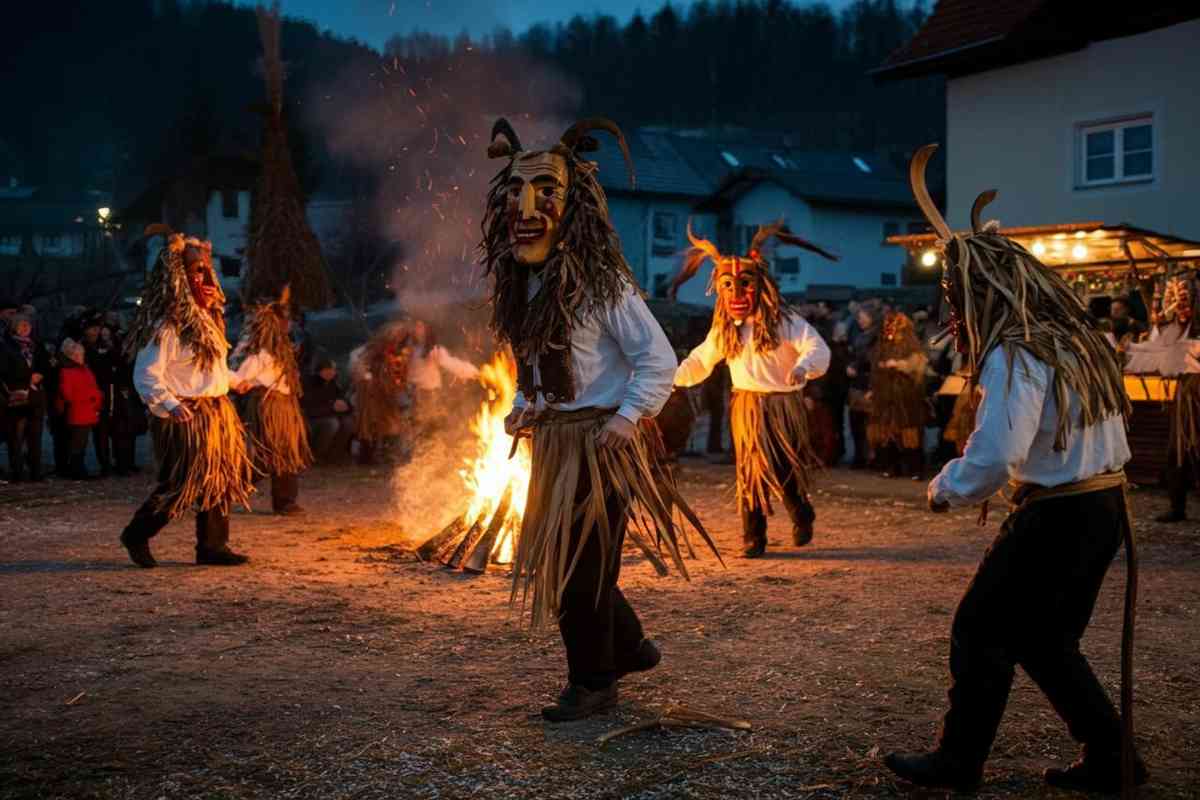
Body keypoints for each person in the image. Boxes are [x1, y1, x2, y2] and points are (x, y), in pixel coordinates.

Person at [884, 146, 1145, 794]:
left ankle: (958, 761)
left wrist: (947, 488)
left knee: (980, 629)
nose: (954, 316)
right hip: (1104, 506)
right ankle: (1113, 759)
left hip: (1057, 515)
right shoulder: (1078, 341)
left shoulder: (1017, 350)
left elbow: (999, 450)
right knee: (1048, 641)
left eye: (956, 301)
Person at [481, 117, 716, 722]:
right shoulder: (526, 285)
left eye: (546, 192)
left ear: (575, 205)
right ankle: (630, 648)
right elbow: (538, 363)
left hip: (600, 445)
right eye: (515, 191)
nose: (526, 208)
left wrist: (628, 417)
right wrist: (524, 406)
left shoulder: (604, 284)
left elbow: (657, 360)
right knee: (579, 563)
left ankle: (593, 684)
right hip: (555, 443)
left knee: (577, 570)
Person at [670, 221, 834, 557]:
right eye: (727, 286)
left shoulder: (785, 321)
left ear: (760, 285)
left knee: (784, 466)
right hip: (746, 406)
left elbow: (816, 348)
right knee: (750, 470)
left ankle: (801, 512)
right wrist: (672, 377)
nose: (736, 294)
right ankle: (753, 537)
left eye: (744, 284)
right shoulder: (725, 329)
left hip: (782, 404)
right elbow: (702, 359)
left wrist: (802, 367)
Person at [118, 228, 255, 568]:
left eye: (209, 271)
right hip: (187, 415)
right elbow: (146, 374)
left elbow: (211, 369)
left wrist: (234, 381)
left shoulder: (209, 321)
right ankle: (137, 534)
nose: (207, 279)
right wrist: (171, 404)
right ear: (180, 279)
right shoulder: (168, 326)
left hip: (218, 412)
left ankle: (213, 547)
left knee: (219, 479)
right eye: (198, 272)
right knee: (182, 483)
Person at [1124, 274, 1200, 521]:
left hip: (1193, 394)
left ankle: (1178, 506)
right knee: (1177, 451)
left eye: (1183, 299)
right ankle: (1177, 507)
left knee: (1186, 449)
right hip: (1185, 395)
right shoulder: (1175, 328)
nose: (1178, 306)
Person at [232, 287, 312, 515]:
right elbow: (240, 378)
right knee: (269, 456)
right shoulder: (260, 352)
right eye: (284, 319)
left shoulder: (283, 350)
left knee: (285, 453)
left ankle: (285, 501)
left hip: (285, 406)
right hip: (269, 407)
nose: (288, 324)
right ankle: (229, 488)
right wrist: (250, 384)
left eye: (288, 319)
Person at [867, 310, 928, 478]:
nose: (890, 330)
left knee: (909, 433)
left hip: (906, 396)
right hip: (885, 395)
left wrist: (901, 364)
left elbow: (918, 365)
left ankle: (915, 469)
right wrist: (873, 386)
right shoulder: (882, 346)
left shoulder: (911, 344)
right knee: (887, 432)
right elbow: (874, 367)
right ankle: (891, 467)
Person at [349, 322, 413, 465]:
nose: (398, 338)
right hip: (370, 394)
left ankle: (388, 454)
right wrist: (368, 378)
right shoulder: (368, 351)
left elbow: (401, 373)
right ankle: (366, 456)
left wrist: (398, 384)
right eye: (396, 335)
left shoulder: (401, 353)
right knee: (368, 425)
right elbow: (359, 368)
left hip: (389, 393)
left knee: (391, 423)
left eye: (401, 336)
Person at [1, 309, 52, 481]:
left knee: (35, 436)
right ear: (14, 327)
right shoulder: (6, 346)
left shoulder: (35, 345)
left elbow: (46, 364)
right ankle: (17, 471)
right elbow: (4, 371)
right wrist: (26, 378)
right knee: (16, 436)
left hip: (36, 395)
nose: (25, 328)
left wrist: (40, 373)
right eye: (21, 325)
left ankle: (36, 471)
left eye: (27, 324)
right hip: (17, 395)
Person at [406, 319, 479, 434]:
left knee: (427, 424)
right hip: (414, 393)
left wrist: (471, 371)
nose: (417, 330)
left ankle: (430, 439)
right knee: (416, 423)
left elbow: (450, 363)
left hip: (428, 393)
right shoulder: (411, 348)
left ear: (426, 330)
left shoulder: (434, 350)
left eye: (420, 327)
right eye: (415, 326)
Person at [55, 338, 103, 480]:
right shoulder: (67, 371)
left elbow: (93, 386)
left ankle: (78, 470)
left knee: (81, 443)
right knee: (77, 444)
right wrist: (90, 396)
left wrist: (96, 398)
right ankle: (77, 471)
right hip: (78, 411)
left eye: (81, 354)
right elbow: (67, 394)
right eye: (76, 355)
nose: (80, 357)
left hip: (87, 410)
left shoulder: (84, 369)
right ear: (70, 356)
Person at [302, 357, 354, 464]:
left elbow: (342, 400)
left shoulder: (334, 384)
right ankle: (317, 455)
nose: (331, 372)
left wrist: (346, 406)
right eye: (327, 369)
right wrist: (331, 407)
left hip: (330, 415)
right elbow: (309, 408)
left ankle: (335, 454)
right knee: (332, 424)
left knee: (348, 422)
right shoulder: (309, 384)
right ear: (319, 371)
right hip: (312, 419)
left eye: (333, 370)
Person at [847, 308, 877, 467]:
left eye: (863, 317)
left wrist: (872, 387)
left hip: (867, 384)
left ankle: (871, 457)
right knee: (856, 424)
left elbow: (873, 363)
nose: (861, 321)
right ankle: (860, 456)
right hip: (857, 385)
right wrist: (851, 365)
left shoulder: (875, 338)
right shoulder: (859, 336)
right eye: (859, 318)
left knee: (869, 425)